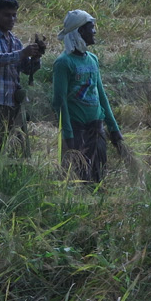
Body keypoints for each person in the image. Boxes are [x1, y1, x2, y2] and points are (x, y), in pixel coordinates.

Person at [51, 10, 124, 184]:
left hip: (96, 126)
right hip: (77, 129)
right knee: (77, 176)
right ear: (79, 32)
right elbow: (59, 102)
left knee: (98, 174)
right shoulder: (63, 63)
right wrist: (68, 135)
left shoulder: (92, 59)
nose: (94, 32)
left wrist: (114, 128)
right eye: (91, 28)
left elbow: (101, 96)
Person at [0, 0, 46, 152]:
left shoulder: (14, 41)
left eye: (14, 15)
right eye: (7, 15)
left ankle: (14, 176)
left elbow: (26, 69)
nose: (12, 19)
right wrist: (22, 53)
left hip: (14, 102)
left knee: (18, 149)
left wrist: (36, 56)